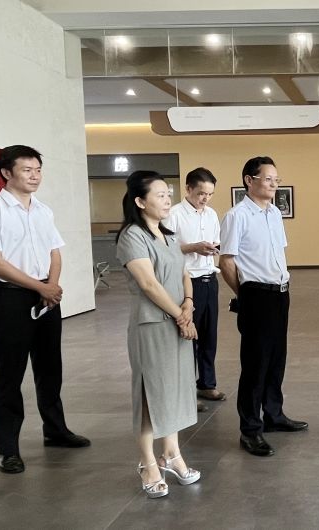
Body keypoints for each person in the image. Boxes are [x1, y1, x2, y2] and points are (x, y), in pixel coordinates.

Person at [0, 145, 90, 475]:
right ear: (6, 172)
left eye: (38, 170)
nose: (35, 176)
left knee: (50, 369)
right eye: (27, 170)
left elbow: (55, 252)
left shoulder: (43, 211)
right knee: (9, 375)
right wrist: (41, 287)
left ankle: (56, 430)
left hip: (46, 296)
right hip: (11, 300)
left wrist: (52, 285)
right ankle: (8, 448)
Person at [116, 170, 201, 498]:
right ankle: (148, 463)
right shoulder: (132, 236)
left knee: (174, 390)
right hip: (152, 325)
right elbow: (149, 284)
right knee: (150, 393)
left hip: (178, 321)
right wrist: (181, 315)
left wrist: (188, 303)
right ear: (140, 201)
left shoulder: (168, 234)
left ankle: (172, 455)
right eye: (161, 195)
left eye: (168, 194)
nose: (168, 200)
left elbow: (183, 273)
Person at [220, 156, 308, 457]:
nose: (274, 184)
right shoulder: (237, 216)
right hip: (256, 294)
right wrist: (244, 294)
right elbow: (226, 261)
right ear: (249, 180)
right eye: (268, 179)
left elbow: (278, 253)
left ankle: (274, 415)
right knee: (255, 364)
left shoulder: (274, 213)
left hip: (280, 293)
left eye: (276, 180)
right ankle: (250, 430)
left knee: (276, 359)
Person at [164, 168, 225, 414]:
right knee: (188, 337)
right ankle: (186, 390)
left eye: (209, 194)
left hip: (210, 278)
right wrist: (193, 247)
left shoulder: (211, 214)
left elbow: (216, 240)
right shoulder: (174, 215)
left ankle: (207, 384)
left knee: (209, 335)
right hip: (187, 282)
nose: (205, 198)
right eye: (201, 193)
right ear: (188, 189)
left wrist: (213, 247)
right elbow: (165, 249)